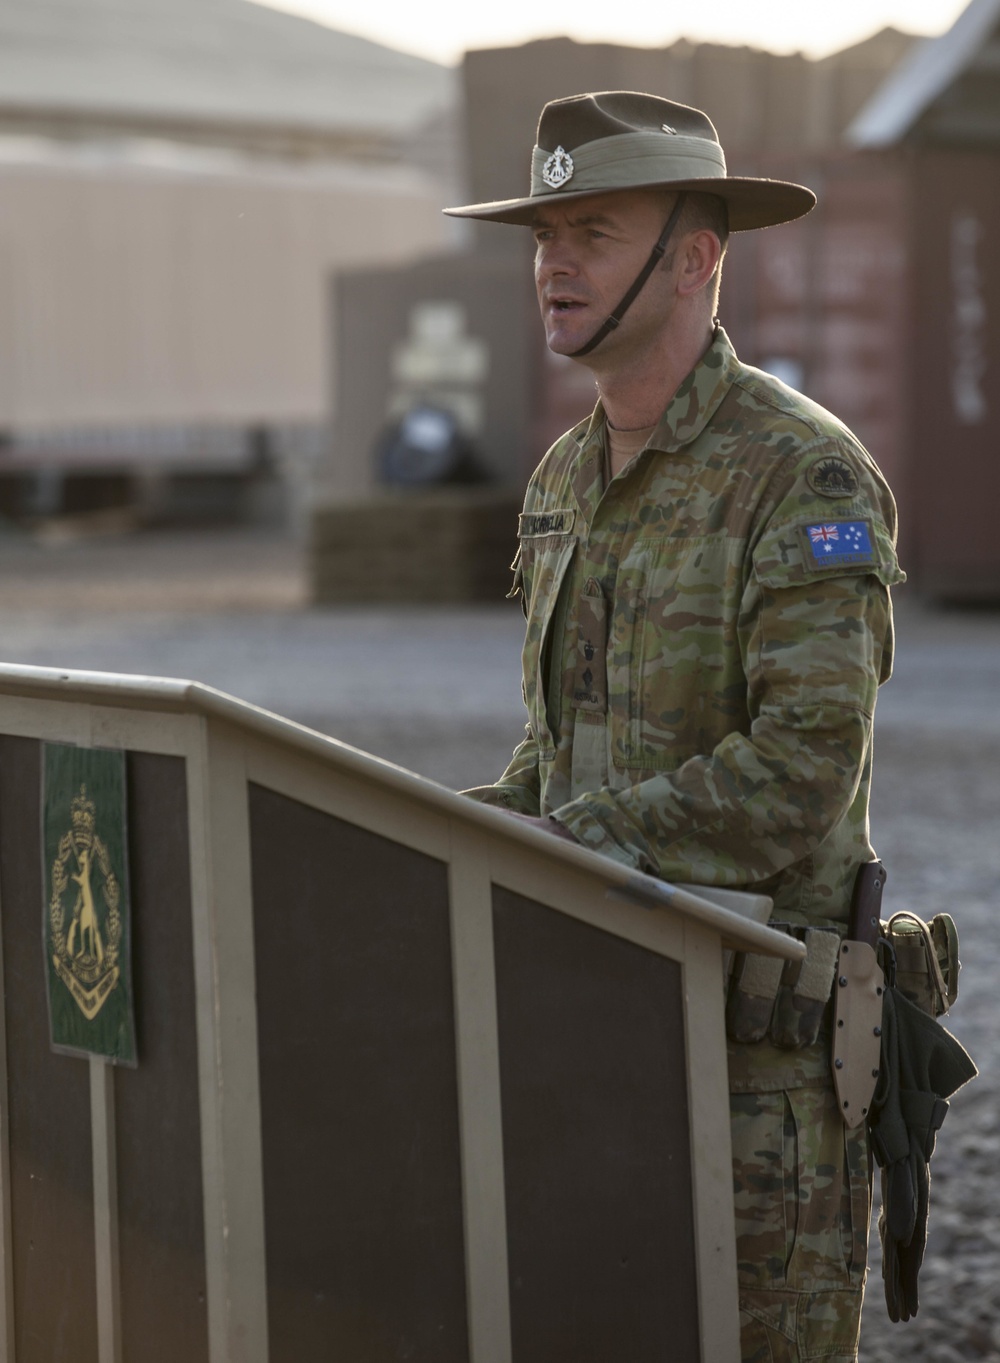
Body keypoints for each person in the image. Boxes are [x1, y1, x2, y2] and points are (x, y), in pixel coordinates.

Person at [445, 91, 905, 1362]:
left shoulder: (799, 473)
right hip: (581, 1029)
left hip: (754, 1078)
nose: (553, 264)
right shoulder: (561, 479)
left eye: (592, 230)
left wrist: (557, 853)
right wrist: (427, 836)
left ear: (696, 257)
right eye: (544, 236)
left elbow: (798, 775)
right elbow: (553, 749)